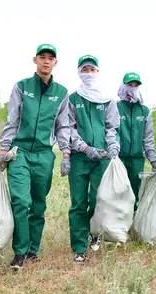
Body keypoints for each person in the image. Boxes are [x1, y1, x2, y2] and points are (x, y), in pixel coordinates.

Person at [0, 44, 70, 270]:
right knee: (20, 201)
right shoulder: (22, 87)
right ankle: (19, 252)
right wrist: (3, 150)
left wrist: (66, 153)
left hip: (43, 154)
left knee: (38, 204)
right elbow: (12, 119)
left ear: (55, 63)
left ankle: (32, 250)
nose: (46, 61)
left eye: (50, 58)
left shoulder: (61, 93)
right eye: (42, 57)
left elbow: (63, 126)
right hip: (20, 153)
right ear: (35, 60)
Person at [62, 54, 120, 263]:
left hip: (102, 159)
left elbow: (111, 127)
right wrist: (84, 147)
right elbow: (69, 127)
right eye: (84, 70)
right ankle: (79, 247)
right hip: (80, 158)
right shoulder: (72, 99)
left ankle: (94, 232)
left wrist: (112, 146)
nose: (88, 73)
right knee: (78, 202)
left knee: (99, 199)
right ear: (79, 73)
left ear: (98, 72)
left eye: (92, 70)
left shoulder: (108, 99)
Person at [116, 72, 156, 206]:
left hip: (137, 159)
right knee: (118, 191)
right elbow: (111, 132)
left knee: (135, 191)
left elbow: (148, 138)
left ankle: (133, 221)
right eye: (130, 85)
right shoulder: (115, 107)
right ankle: (117, 222)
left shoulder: (144, 111)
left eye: (136, 85)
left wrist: (153, 160)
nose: (132, 88)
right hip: (118, 158)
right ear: (123, 86)